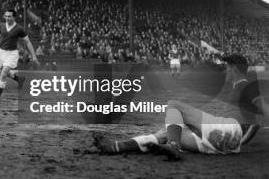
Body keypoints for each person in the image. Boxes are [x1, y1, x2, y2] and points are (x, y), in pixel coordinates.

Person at [93, 54, 265, 161]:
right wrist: (239, 142)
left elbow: (261, 113)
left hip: (227, 132)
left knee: (173, 104)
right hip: (224, 144)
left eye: (228, 67)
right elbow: (254, 122)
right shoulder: (237, 89)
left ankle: (174, 148)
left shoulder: (247, 86)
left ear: (234, 68)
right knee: (165, 133)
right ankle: (117, 146)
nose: (226, 70)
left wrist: (239, 137)